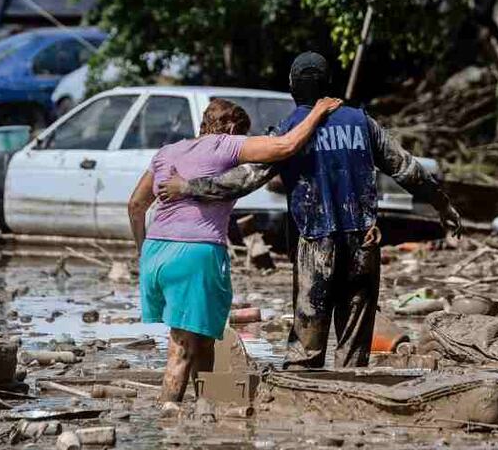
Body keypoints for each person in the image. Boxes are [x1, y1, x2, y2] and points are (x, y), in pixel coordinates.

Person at [158, 52, 461, 370]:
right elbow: (408, 169)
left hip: (315, 243)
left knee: (306, 348)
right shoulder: (361, 122)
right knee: (354, 346)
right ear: (328, 84)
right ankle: (352, 400)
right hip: (364, 241)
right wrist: (442, 204)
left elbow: (244, 180)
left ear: (292, 87)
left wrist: (188, 187)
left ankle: (304, 404)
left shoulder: (290, 130)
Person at [127, 96, 342, 404]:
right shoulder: (225, 146)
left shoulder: (167, 151)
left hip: (156, 253)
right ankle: (168, 416)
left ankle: (209, 407)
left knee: (203, 338)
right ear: (230, 127)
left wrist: (143, 252)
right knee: (183, 345)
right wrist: (318, 112)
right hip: (195, 254)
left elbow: (136, 205)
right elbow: (284, 147)